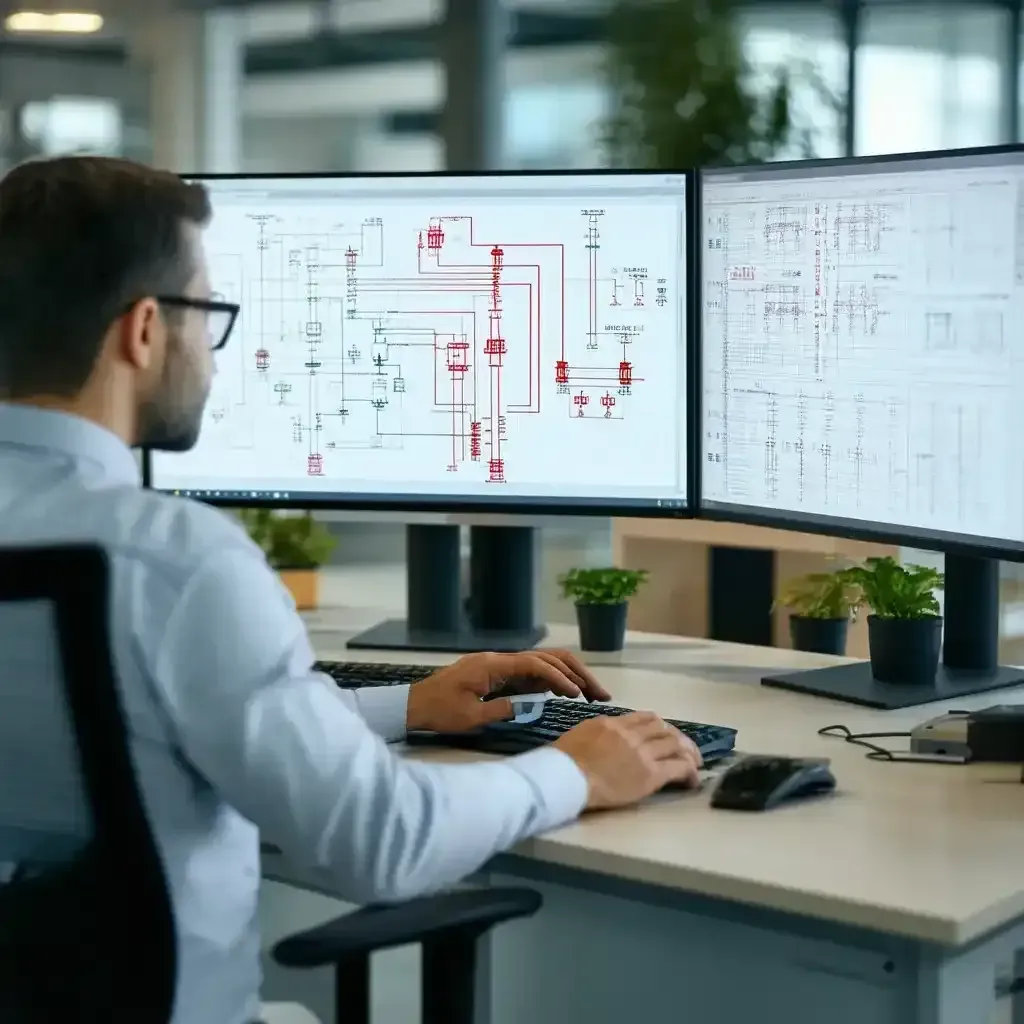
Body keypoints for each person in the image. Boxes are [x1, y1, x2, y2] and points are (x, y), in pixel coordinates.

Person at [0, 157, 702, 1024]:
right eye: (206, 317)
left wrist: (402, 708)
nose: (213, 362)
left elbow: (140, 717)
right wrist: (572, 771)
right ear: (144, 332)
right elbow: (380, 841)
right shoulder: (176, 563)